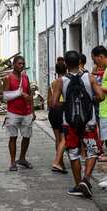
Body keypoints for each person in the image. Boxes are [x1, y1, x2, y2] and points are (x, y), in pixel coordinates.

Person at [52, 50, 105, 197]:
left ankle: (78, 185)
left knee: (74, 154)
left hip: (70, 124)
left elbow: (54, 103)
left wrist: (68, 105)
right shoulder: (90, 77)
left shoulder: (60, 81)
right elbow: (101, 96)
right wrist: (90, 101)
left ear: (66, 64)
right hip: (89, 122)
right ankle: (86, 179)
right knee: (92, 151)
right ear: (80, 62)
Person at [3, 56, 35, 171]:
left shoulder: (25, 77)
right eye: (19, 64)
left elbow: (30, 94)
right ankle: (12, 162)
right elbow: (5, 96)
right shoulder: (8, 78)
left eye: (23, 64)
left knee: (26, 136)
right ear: (14, 64)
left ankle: (22, 158)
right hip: (13, 112)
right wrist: (19, 94)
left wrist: (33, 111)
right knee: (13, 137)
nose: (21, 66)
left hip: (26, 112)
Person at [47, 61, 67, 173]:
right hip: (62, 111)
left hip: (53, 112)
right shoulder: (66, 82)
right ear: (66, 70)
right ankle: (58, 161)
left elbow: (49, 102)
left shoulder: (52, 83)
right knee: (64, 138)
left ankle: (60, 162)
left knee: (57, 139)